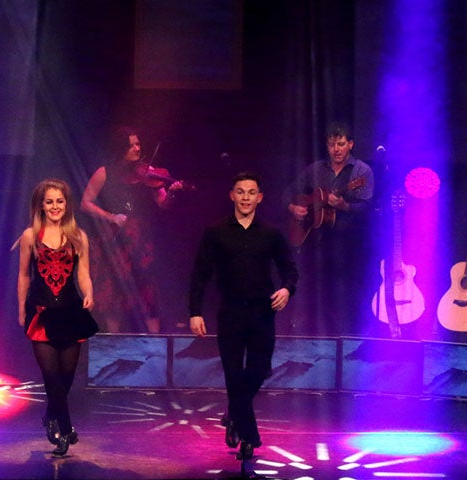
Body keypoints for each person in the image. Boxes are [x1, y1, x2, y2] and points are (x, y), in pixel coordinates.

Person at [188, 172, 298, 460]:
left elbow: (290, 269)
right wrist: (195, 312)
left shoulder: (271, 233)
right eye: (241, 191)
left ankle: (235, 412)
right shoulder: (216, 231)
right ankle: (249, 436)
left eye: (251, 192)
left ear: (259, 197)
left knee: (260, 370)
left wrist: (287, 289)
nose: (246, 197)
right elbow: (200, 274)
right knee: (234, 374)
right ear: (232, 195)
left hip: (263, 312)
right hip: (231, 312)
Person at [17, 179, 95, 457]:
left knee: (66, 377)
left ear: (67, 204)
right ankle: (65, 427)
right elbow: (24, 275)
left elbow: (83, 272)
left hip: (71, 313)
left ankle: (51, 416)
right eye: (49, 201)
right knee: (51, 376)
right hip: (41, 313)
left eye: (59, 201)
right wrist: (21, 309)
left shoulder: (78, 236)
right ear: (41, 205)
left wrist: (89, 293)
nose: (54, 206)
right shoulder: (30, 236)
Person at [81, 126, 184, 333]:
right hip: (114, 240)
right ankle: (114, 343)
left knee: (147, 292)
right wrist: (110, 216)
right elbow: (86, 203)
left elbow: (163, 202)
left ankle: (153, 346)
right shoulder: (104, 172)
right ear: (120, 149)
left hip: (140, 240)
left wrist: (172, 193)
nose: (138, 148)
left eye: (138, 143)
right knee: (113, 293)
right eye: (132, 145)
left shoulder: (148, 173)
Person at [284, 122, 374, 335]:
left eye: (341, 144)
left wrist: (344, 205)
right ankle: (310, 333)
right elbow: (288, 191)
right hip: (315, 245)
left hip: (349, 245)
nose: (336, 149)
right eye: (332, 144)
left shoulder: (361, 172)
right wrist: (293, 207)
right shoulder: (315, 169)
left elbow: (367, 207)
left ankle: (347, 336)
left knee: (344, 294)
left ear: (350, 144)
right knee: (313, 289)